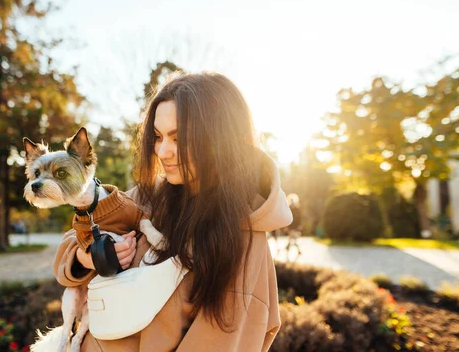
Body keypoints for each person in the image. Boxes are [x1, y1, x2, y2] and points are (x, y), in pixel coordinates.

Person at [53, 73, 293, 351]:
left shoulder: (243, 238)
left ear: (222, 139)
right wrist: (91, 256)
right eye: (157, 137)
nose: (162, 151)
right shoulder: (148, 196)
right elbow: (70, 243)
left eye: (178, 138)